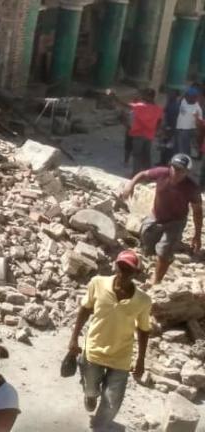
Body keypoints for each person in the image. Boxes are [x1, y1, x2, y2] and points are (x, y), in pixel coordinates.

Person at [67, 250, 151, 431]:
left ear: (136, 273)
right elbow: (85, 309)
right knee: (90, 389)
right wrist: (74, 338)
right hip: (94, 350)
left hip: (121, 356)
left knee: (112, 401)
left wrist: (141, 360)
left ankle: (99, 426)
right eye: (120, 267)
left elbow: (144, 330)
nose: (123, 272)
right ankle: (90, 395)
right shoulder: (97, 283)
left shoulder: (143, 300)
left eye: (128, 270)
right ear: (115, 266)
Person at [121, 153, 202, 283]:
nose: (176, 172)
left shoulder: (191, 188)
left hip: (176, 222)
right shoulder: (162, 173)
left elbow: (198, 212)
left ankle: (156, 280)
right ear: (170, 167)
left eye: (181, 170)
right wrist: (130, 185)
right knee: (147, 245)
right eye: (174, 168)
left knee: (164, 251)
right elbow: (143, 174)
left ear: (187, 172)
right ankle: (149, 263)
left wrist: (197, 235)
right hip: (156, 216)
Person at [110, 89, 162, 177]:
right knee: (146, 155)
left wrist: (113, 96)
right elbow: (159, 121)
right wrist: (155, 130)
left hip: (138, 134)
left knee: (137, 155)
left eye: (144, 95)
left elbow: (123, 105)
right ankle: (149, 175)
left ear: (147, 96)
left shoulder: (140, 106)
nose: (142, 97)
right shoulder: (158, 109)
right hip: (149, 135)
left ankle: (135, 175)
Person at [174, 87, 201, 156]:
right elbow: (180, 101)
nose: (186, 97)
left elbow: (198, 123)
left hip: (187, 132)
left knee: (183, 151)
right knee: (177, 149)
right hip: (179, 129)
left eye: (189, 96)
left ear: (194, 97)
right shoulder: (184, 101)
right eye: (186, 95)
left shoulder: (197, 108)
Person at [159, 89, 182, 165]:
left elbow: (173, 120)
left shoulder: (175, 106)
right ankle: (163, 161)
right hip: (167, 128)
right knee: (164, 146)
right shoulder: (170, 103)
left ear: (175, 96)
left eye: (171, 94)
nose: (169, 95)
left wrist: (169, 129)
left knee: (168, 147)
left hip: (170, 129)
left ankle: (165, 162)